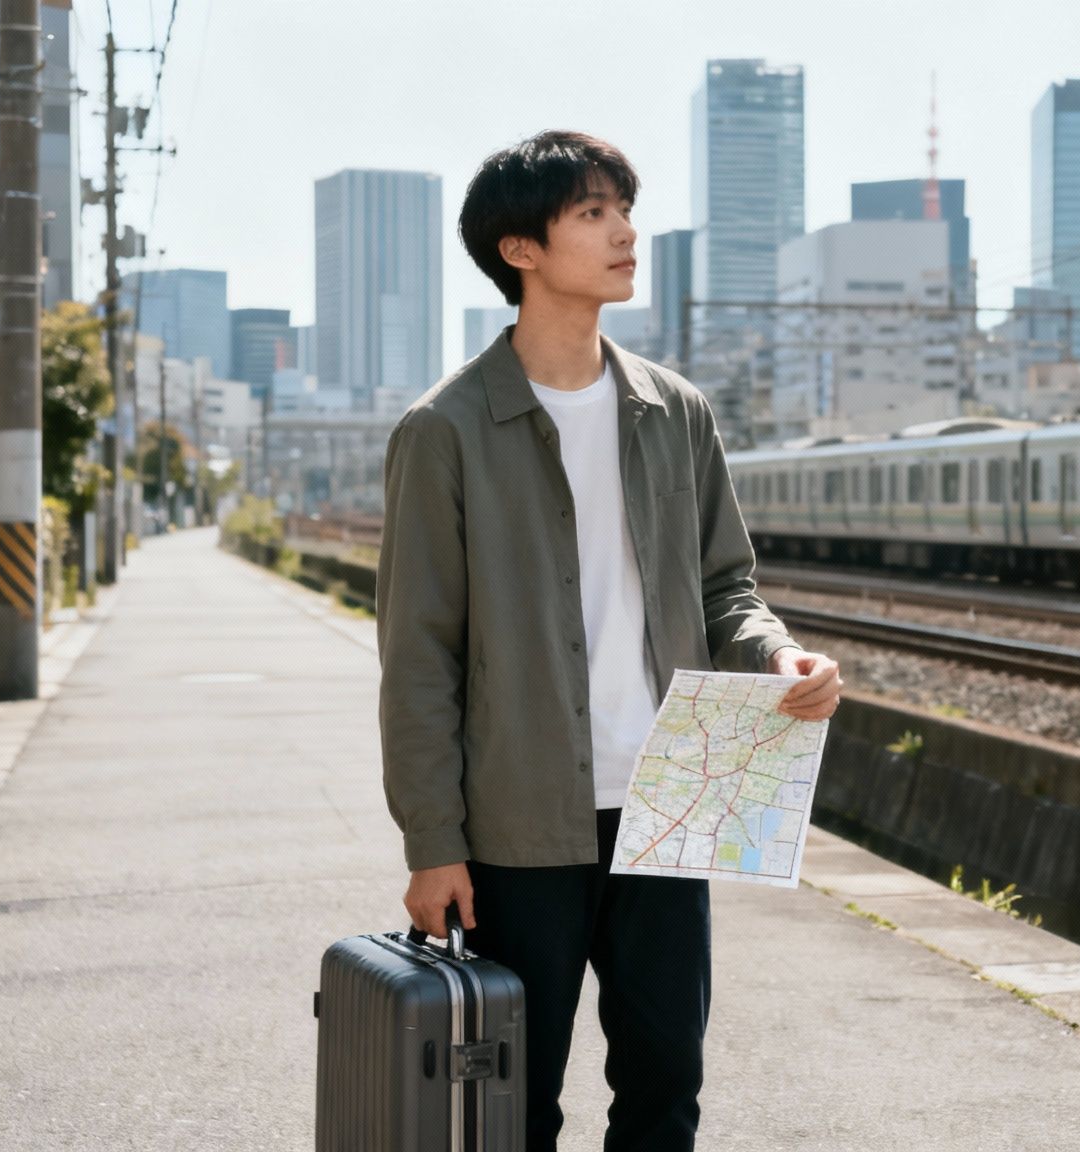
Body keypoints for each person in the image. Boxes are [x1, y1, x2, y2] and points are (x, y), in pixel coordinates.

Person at [375, 130, 842, 1151]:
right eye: (591, 213)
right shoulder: (444, 431)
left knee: (666, 1082)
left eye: (623, 209)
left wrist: (774, 655)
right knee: (513, 1099)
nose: (626, 231)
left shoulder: (674, 411)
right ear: (520, 250)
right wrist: (431, 843)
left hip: (671, 805)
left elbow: (727, 586)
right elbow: (418, 658)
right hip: (516, 824)